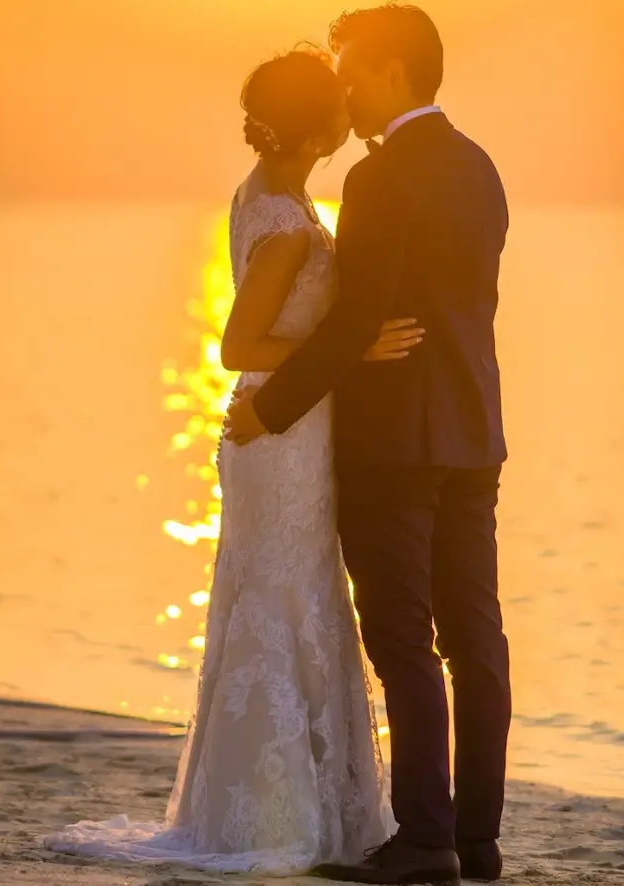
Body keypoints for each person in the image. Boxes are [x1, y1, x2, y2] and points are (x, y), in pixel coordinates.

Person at [42, 46, 425, 876]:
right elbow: (236, 344)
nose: (349, 111)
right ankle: (276, 814)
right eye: (339, 102)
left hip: (284, 432)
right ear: (317, 124)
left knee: (289, 597)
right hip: (279, 437)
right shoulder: (286, 223)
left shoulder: (271, 196)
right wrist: (351, 350)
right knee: (288, 599)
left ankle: (294, 804)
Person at [226, 5, 512, 884]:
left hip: (395, 443)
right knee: (476, 637)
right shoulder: (480, 165)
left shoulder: (378, 181)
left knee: (402, 638)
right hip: (474, 432)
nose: (343, 87)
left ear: (392, 69)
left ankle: (424, 840)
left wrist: (271, 413)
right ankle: (477, 836)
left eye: (351, 69)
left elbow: (359, 316)